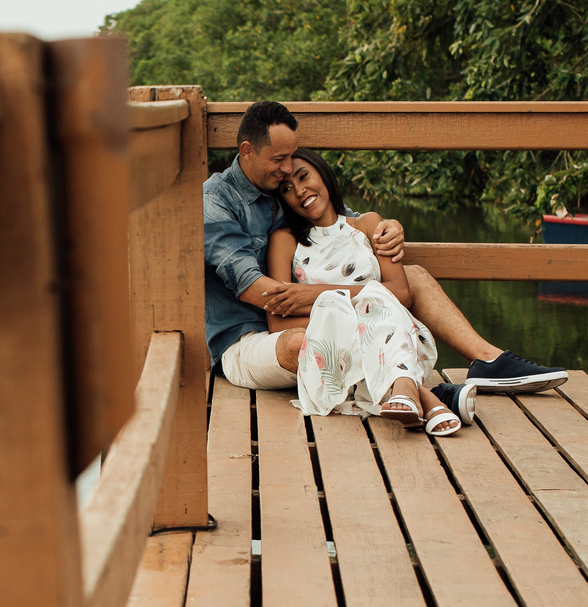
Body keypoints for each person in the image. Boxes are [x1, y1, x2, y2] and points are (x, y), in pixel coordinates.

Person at [203, 101, 567, 398]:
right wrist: (336, 300)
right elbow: (254, 288)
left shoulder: (281, 188)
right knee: (303, 342)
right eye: (278, 160)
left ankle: (489, 360)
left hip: (318, 319)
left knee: (414, 276)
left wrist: (385, 227)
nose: (287, 171)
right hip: (249, 339)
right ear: (246, 152)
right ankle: (432, 396)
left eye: (293, 158)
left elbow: (336, 222)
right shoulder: (216, 201)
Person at [270, 147, 463, 434]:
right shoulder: (285, 241)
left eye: (304, 176)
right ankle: (422, 394)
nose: (299, 191)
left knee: (376, 297)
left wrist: (319, 293)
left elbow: (401, 293)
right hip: (332, 347)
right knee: (373, 296)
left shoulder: (368, 224)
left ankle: (408, 393)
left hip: (389, 332)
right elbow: (277, 323)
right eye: (287, 188)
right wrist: (342, 311)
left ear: (323, 174)